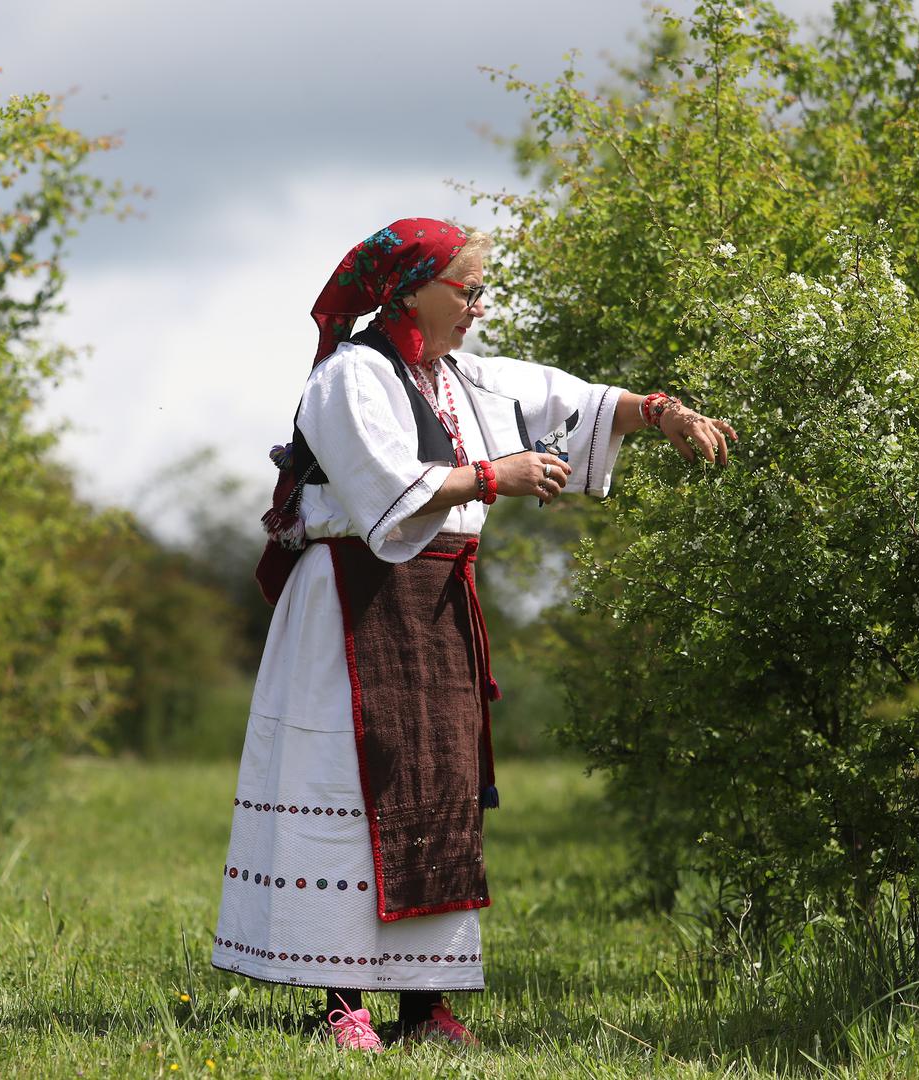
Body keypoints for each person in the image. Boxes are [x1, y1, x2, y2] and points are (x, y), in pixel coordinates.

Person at [211, 218, 736, 1051]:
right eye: (467, 288)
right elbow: (384, 485)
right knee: (348, 787)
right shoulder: (350, 377)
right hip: (348, 601)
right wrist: (497, 474)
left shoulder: (462, 378)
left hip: (434, 607)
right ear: (410, 287)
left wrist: (659, 411)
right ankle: (340, 1003)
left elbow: (571, 399)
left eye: (480, 289)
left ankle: (423, 1006)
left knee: (440, 791)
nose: (478, 306)